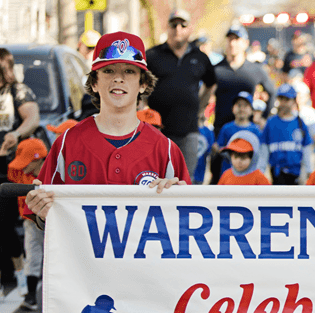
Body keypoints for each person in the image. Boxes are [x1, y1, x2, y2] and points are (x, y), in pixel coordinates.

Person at [24, 31, 191, 227]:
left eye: (129, 71)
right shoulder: (68, 143)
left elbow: (186, 224)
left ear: (143, 84)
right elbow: (47, 222)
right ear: (94, 82)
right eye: (108, 71)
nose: (118, 78)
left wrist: (178, 200)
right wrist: (42, 214)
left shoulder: (166, 150)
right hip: (84, 257)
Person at [146, 9, 217, 185]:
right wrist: (143, 107)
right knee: (155, 181)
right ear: (167, 28)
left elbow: (210, 83)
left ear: (189, 29)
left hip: (189, 131)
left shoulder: (200, 57)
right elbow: (138, 84)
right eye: (174, 25)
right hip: (157, 132)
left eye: (183, 25)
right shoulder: (152, 56)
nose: (178, 29)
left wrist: (200, 108)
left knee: (186, 181)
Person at [211, 24, 275, 184]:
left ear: (245, 43)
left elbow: (272, 91)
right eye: (230, 39)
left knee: (247, 178)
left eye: (237, 39)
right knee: (221, 179)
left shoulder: (255, 69)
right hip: (222, 131)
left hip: (247, 132)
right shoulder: (216, 70)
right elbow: (202, 95)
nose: (232, 43)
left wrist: (264, 117)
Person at [0, 47, 40, 287]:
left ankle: (10, 272)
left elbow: (32, 118)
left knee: (5, 221)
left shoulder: (18, 91)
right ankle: (8, 271)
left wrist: (16, 133)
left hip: (10, 165)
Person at [7, 138, 46, 310]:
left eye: (26, 161)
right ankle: (31, 296)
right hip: (30, 219)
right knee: (32, 253)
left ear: (38, 159)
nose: (22, 165)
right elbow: (9, 171)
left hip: (55, 220)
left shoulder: (56, 171)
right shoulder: (21, 173)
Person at [263, 84, 311, 185]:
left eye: (287, 100)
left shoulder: (300, 123)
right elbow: (264, 149)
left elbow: (306, 148)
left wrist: (308, 170)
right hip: (276, 173)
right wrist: (262, 170)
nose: (283, 103)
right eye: (281, 99)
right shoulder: (271, 123)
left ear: (293, 101)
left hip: (296, 174)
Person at [215, 91, 263, 174]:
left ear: (251, 110)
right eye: (239, 105)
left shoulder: (256, 130)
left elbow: (260, 152)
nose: (242, 109)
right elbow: (219, 147)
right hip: (228, 172)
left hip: (249, 173)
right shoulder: (226, 128)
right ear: (233, 108)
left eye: (245, 105)